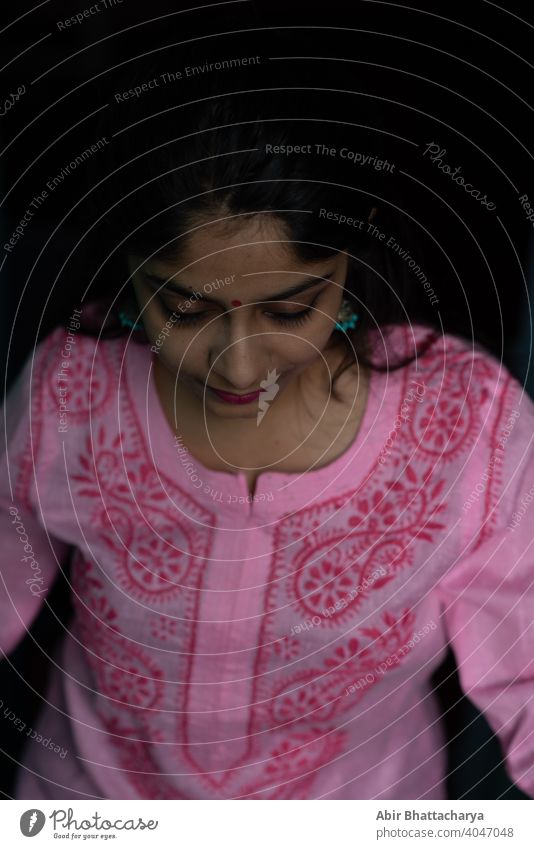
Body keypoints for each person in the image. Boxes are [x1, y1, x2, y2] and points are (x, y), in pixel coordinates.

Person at [1, 37, 533, 801]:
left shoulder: (468, 428)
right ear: (126, 264)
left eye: (292, 308)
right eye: (183, 307)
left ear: (357, 249)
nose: (241, 368)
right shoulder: (71, 391)